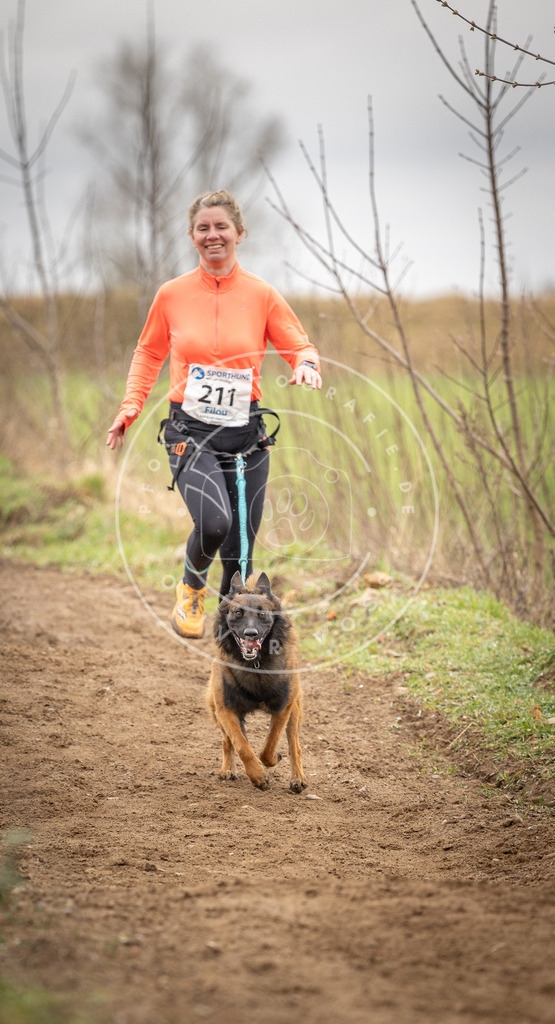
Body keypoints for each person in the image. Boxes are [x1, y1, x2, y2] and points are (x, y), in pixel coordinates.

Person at [106, 189, 321, 639]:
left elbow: (298, 345)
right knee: (215, 524)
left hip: (246, 434)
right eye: (203, 228)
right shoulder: (172, 295)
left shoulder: (262, 295)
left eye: (221, 226)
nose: (212, 235)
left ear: (239, 234)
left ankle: (229, 644)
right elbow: (148, 354)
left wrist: (305, 365)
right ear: (192, 237)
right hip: (190, 431)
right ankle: (190, 586)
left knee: (240, 550)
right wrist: (131, 406)